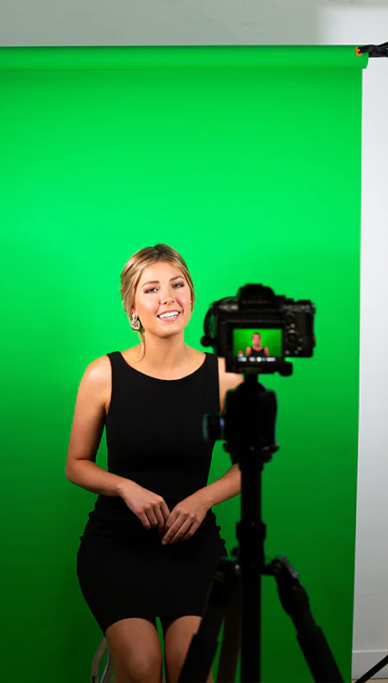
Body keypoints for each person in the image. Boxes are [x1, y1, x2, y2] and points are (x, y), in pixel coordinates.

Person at [66, 244, 244, 683]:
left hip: (192, 545)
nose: (168, 297)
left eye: (177, 284)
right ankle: (123, 655)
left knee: (190, 668)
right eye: (152, 289)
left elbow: (247, 465)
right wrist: (125, 487)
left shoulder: (224, 375)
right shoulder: (103, 374)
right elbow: (77, 463)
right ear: (133, 308)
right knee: (143, 667)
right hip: (117, 545)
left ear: (192, 296)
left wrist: (202, 500)